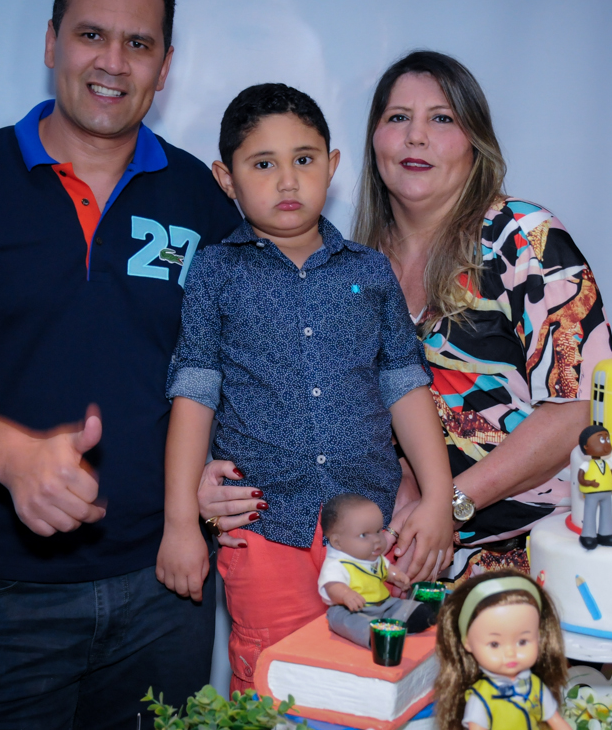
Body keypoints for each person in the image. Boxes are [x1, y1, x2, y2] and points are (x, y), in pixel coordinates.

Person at [0, 0, 240, 727]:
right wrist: (14, 458)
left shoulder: (205, 203)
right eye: (90, 35)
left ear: (166, 65)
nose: (112, 62)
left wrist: (222, 473)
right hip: (7, 597)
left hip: (166, 588)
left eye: (138, 44)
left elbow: (237, 370)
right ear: (51, 43)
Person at [197, 51, 612, 579]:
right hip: (396, 560)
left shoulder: (524, 239)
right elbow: (349, 410)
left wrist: (451, 502)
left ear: (474, 141)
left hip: (533, 560)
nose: (416, 136)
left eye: (441, 118)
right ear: (374, 141)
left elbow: (577, 408)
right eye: (398, 118)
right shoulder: (355, 263)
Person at [157, 83, 454, 693]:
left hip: (373, 532)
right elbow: (195, 391)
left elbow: (404, 384)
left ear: (334, 165)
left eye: (304, 159)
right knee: (275, 680)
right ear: (226, 178)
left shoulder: (369, 271)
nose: (287, 181)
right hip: (266, 531)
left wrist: (439, 498)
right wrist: (181, 520)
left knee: (374, 679)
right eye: (262, 164)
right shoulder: (216, 271)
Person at [433, 570, 572, 730]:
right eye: (494, 644)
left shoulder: (535, 687)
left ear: (539, 636)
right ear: (467, 643)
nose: (510, 653)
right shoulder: (482, 697)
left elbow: (556, 721)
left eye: (522, 641)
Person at [316, 492, 437, 647]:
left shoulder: (375, 559)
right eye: (364, 535)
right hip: (351, 610)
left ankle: (412, 618)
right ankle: (373, 635)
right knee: (346, 621)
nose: (376, 540)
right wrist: (346, 595)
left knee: (400, 605)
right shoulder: (337, 564)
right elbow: (332, 586)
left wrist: (397, 576)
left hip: (383, 604)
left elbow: (387, 570)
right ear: (337, 542)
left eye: (379, 531)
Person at [575, 424, 612, 551]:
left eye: (607, 439)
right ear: (586, 447)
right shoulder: (586, 464)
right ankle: (588, 535)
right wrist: (588, 483)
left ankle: (606, 533)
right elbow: (580, 478)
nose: (605, 444)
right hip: (592, 493)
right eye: (601, 440)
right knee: (590, 513)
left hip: (607, 492)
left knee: (607, 513)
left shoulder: (607, 462)